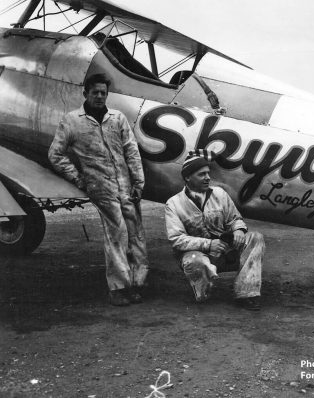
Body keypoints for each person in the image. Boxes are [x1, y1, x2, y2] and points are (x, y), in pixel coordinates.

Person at [48, 73, 149, 306]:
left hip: (126, 186)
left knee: (136, 234)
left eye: (104, 93)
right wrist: (79, 179)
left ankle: (137, 284)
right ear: (86, 93)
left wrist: (138, 182)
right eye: (95, 92)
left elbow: (131, 152)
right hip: (100, 187)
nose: (100, 96)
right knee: (117, 234)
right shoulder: (72, 121)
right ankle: (118, 288)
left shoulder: (118, 118)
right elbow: (55, 154)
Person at [165, 150, 265, 311]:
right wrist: (208, 244)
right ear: (188, 177)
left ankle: (247, 293)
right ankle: (203, 289)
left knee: (256, 238)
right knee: (193, 260)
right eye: (201, 174)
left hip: (226, 252)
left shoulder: (219, 193)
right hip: (198, 254)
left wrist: (239, 230)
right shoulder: (174, 203)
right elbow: (176, 239)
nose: (207, 178)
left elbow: (235, 219)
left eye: (208, 173)